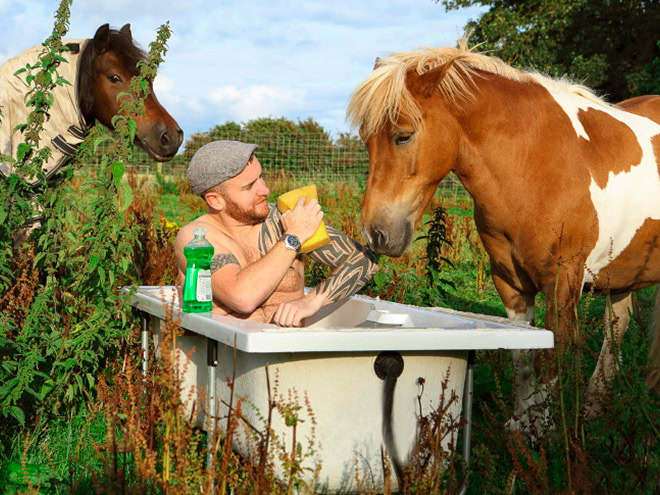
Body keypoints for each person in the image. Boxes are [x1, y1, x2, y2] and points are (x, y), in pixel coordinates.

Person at [174, 140, 379, 327]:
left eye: (260, 177)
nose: (265, 190)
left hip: (287, 353)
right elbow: (242, 298)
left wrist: (312, 301)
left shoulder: (282, 220)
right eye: (249, 187)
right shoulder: (196, 240)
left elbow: (364, 260)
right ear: (216, 200)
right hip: (228, 358)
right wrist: (294, 238)